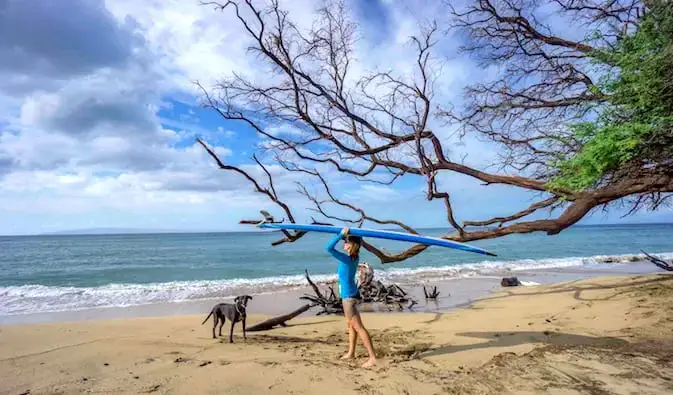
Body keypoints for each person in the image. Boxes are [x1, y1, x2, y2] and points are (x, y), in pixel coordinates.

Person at [325, 227, 377, 368]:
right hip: (353, 294)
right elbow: (349, 243)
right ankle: (351, 352)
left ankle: (372, 357)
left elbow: (328, 248)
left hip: (348, 298)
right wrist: (343, 235)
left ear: (352, 245)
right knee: (351, 326)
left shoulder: (347, 259)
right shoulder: (354, 257)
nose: (344, 244)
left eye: (347, 243)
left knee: (358, 327)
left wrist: (340, 235)